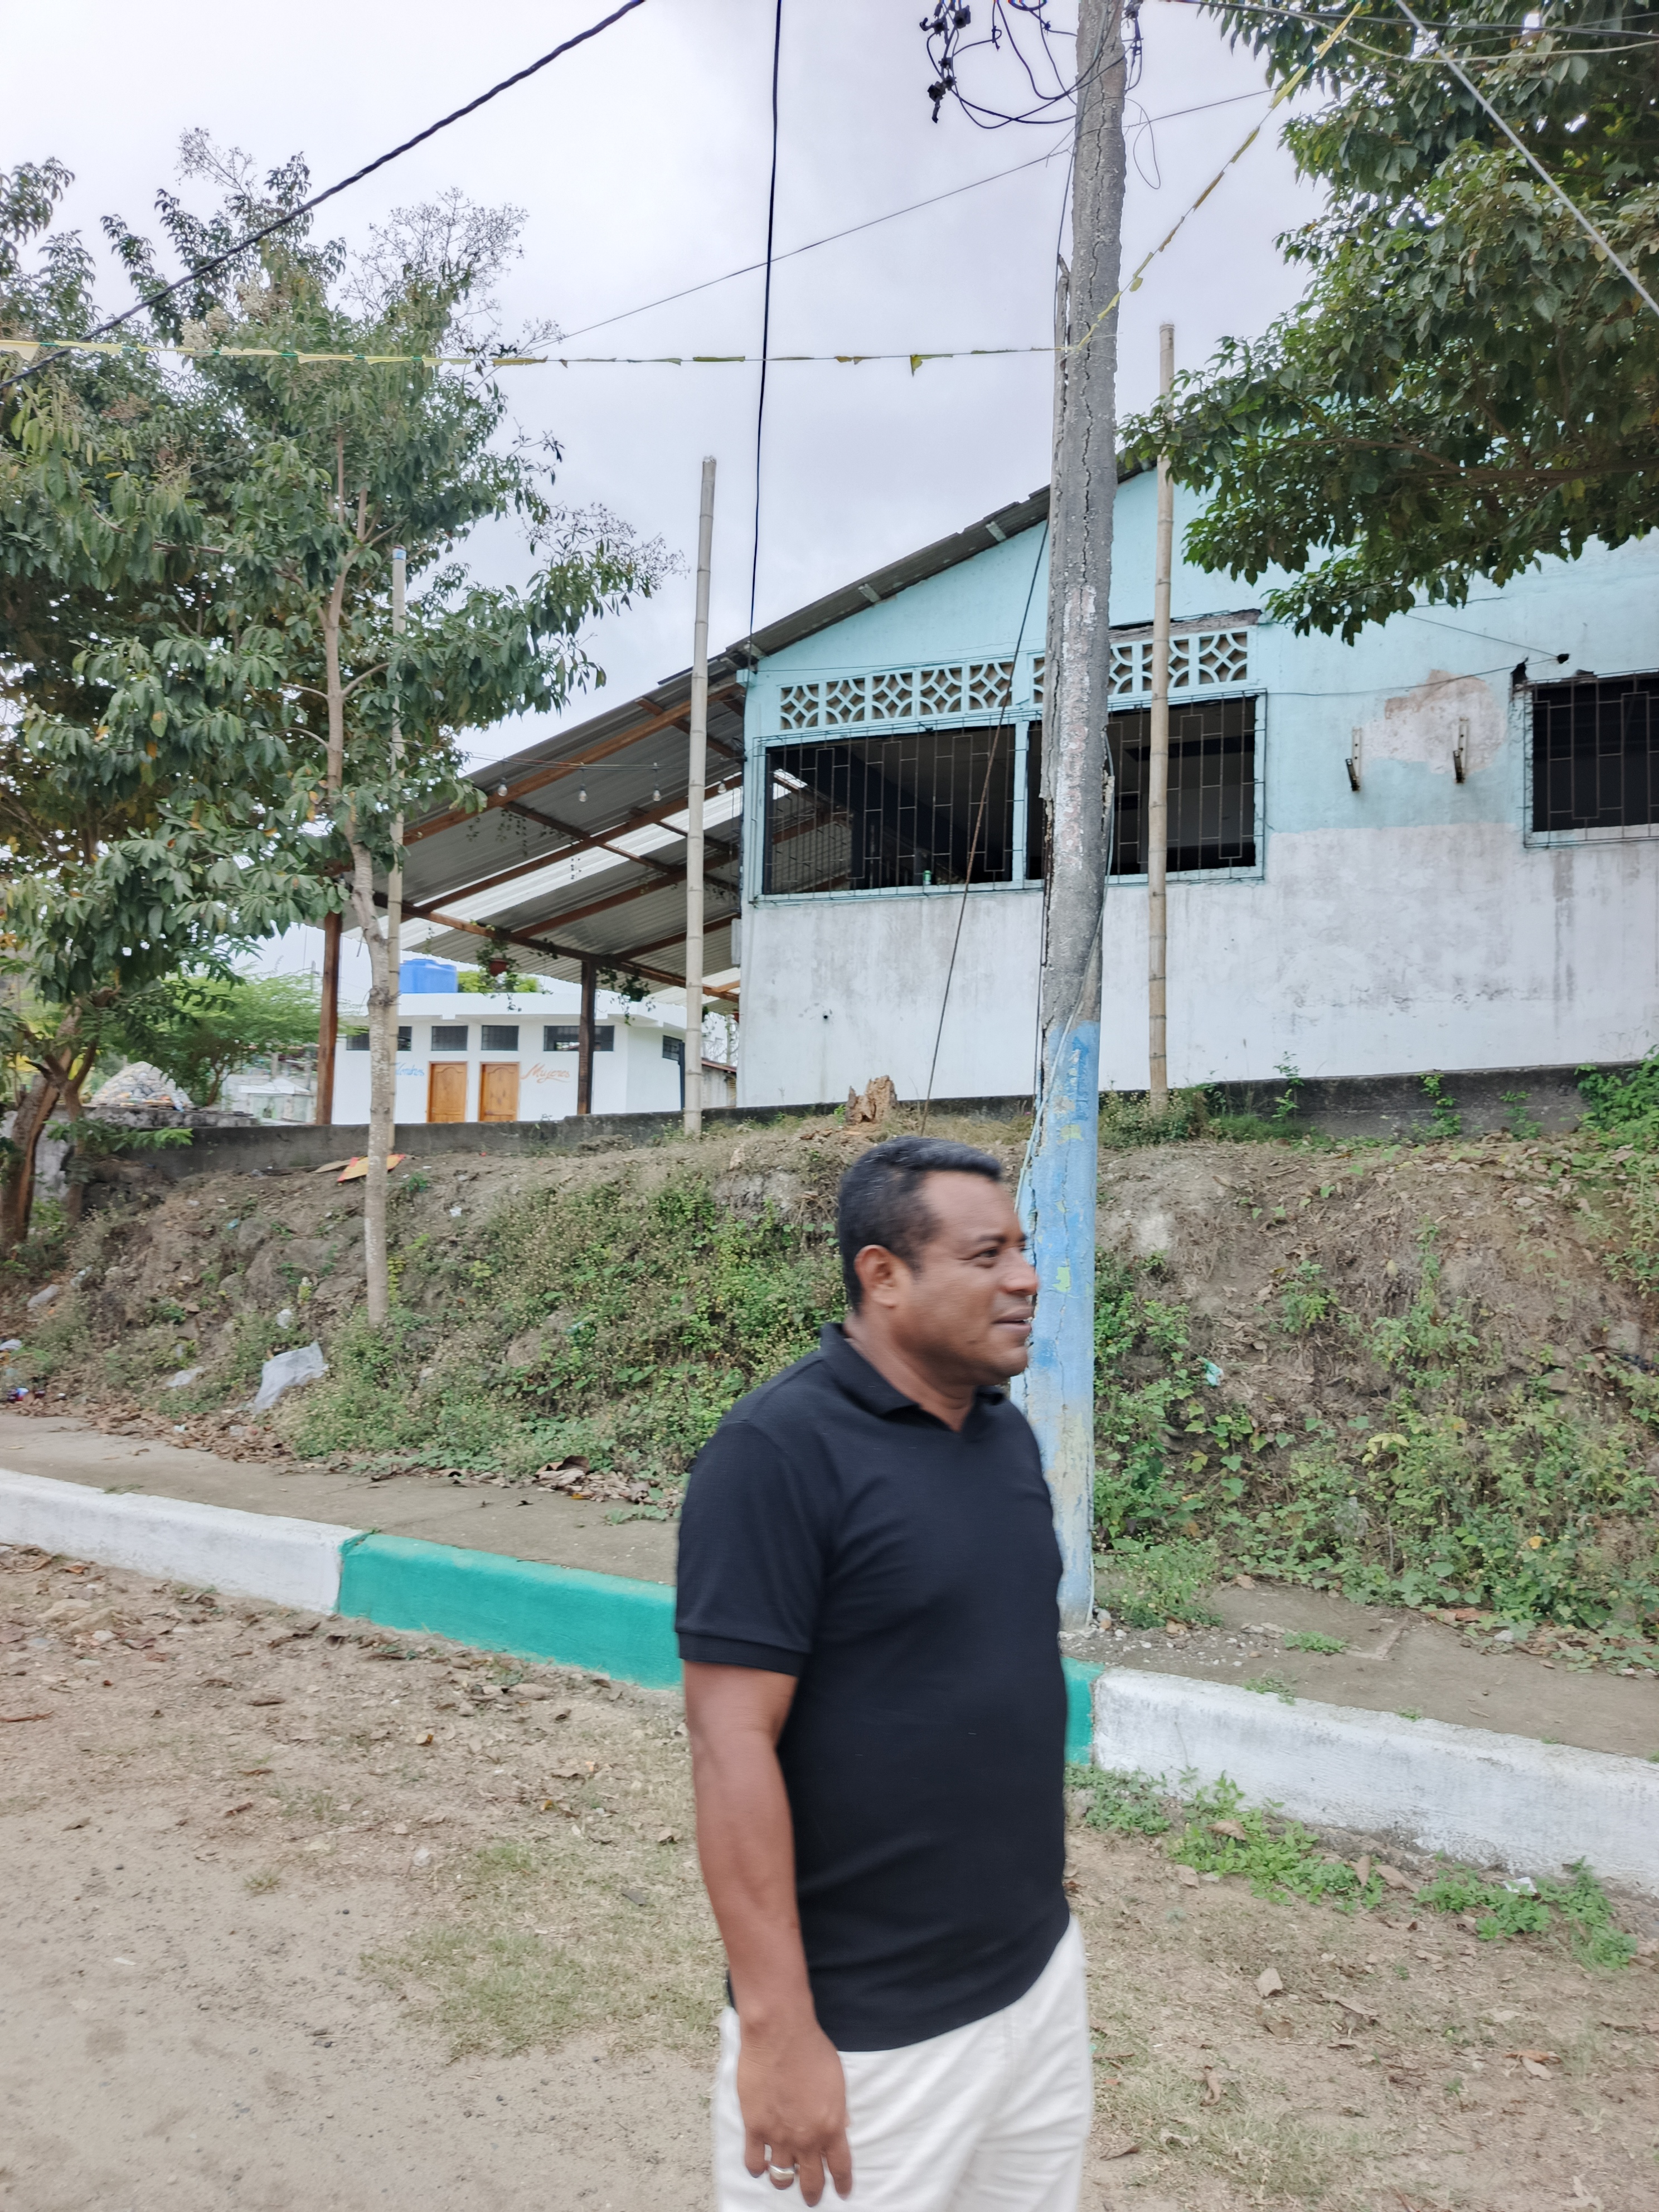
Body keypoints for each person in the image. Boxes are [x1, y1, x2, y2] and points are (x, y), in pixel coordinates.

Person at [676, 1134, 1090, 2211]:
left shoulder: (1001, 1436)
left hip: (1036, 1986)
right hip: (869, 2038)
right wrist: (779, 2031)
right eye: (987, 1254)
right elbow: (728, 1743)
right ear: (884, 1275)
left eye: (1023, 1249)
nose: (1026, 1277)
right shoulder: (776, 1454)